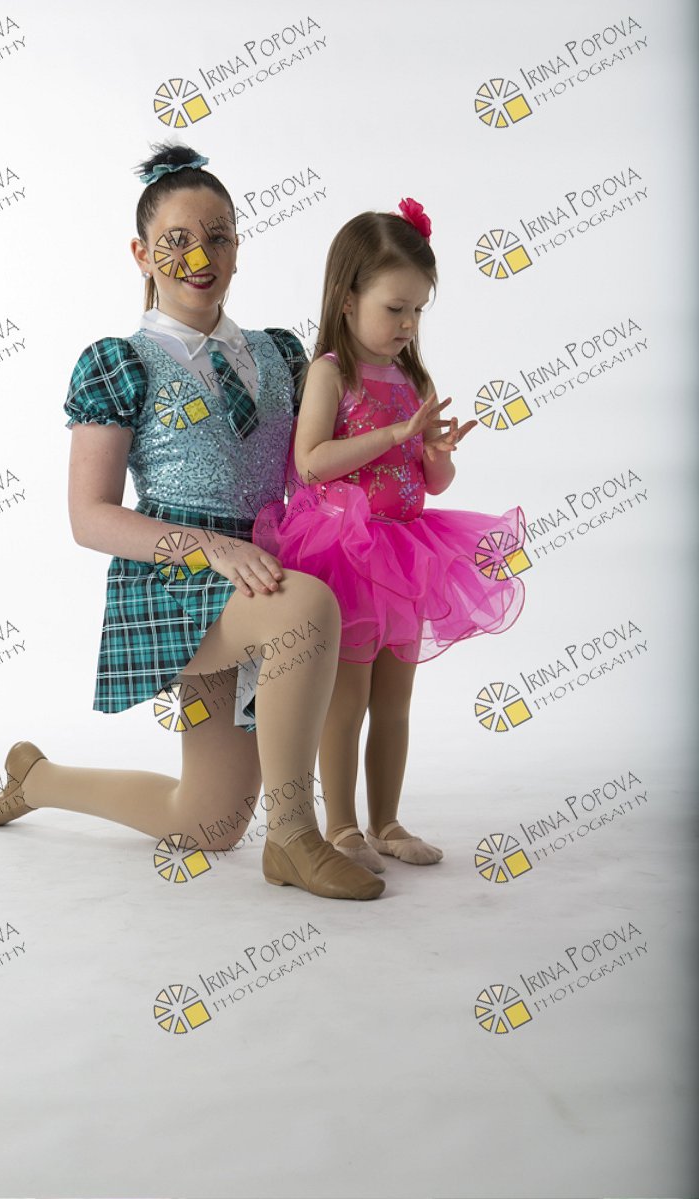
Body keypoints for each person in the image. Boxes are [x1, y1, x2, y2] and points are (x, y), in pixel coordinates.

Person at [0, 143, 383, 901]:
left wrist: (404, 447)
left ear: (239, 248)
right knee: (304, 610)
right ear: (141, 254)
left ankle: (37, 778)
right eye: (177, 240)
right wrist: (211, 548)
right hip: (174, 579)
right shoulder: (119, 363)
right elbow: (89, 518)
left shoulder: (281, 354)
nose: (200, 256)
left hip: (258, 566)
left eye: (218, 237)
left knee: (207, 821)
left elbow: (314, 463)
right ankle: (294, 836)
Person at [253, 198, 526, 873]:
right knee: (345, 701)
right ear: (347, 299)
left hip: (405, 556)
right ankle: (342, 827)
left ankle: (388, 821)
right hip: (345, 552)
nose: (408, 324)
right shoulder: (330, 372)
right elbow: (312, 462)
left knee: (395, 702)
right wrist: (394, 434)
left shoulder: (411, 377)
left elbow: (431, 484)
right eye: (395, 307)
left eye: (419, 310)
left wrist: (435, 453)